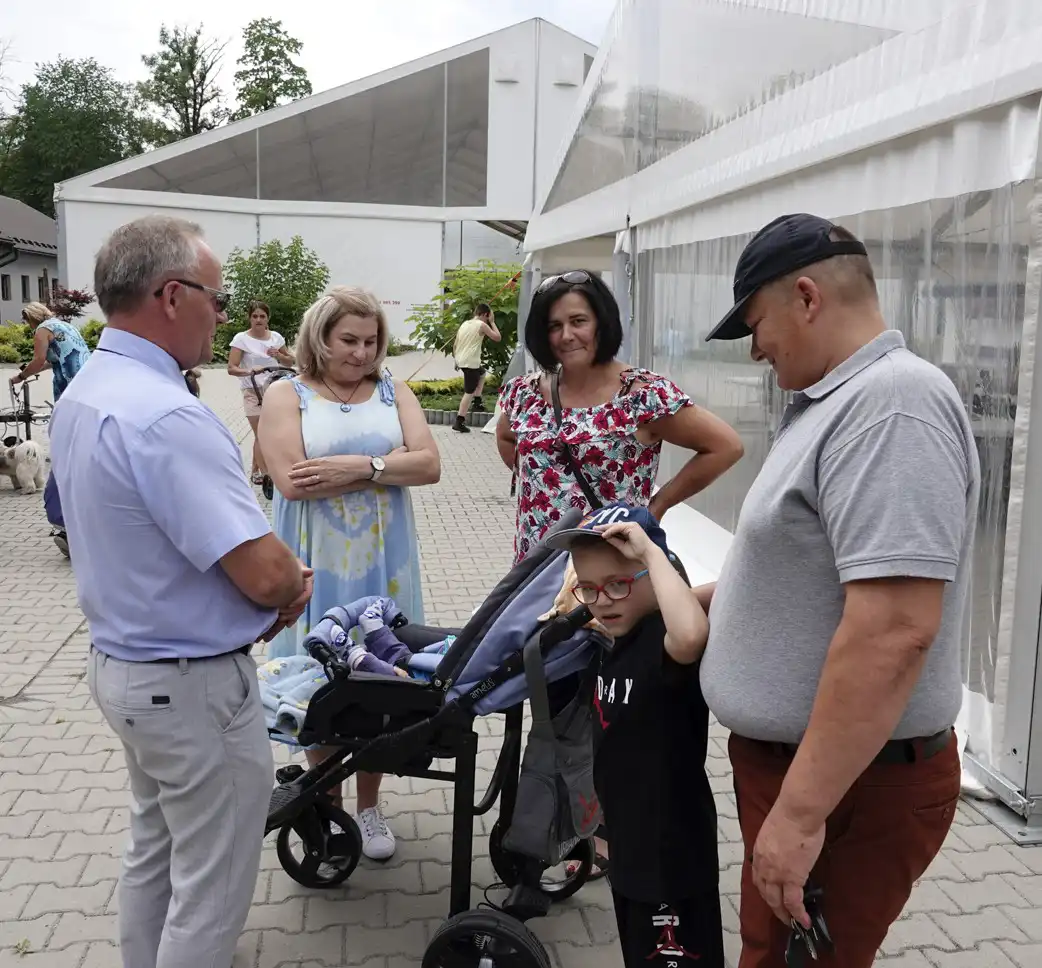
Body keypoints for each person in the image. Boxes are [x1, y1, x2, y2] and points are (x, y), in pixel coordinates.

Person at [697, 214, 979, 968]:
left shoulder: (892, 407)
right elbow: (814, 568)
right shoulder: (836, 401)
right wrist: (705, 601)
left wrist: (800, 812)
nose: (756, 348)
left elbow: (892, 630)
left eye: (756, 324)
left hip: (849, 787)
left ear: (809, 297)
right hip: (816, 776)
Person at [48, 215, 313, 968]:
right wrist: (290, 583)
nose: (222, 316)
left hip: (126, 670)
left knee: (155, 849)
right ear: (172, 295)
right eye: (217, 300)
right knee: (211, 887)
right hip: (191, 688)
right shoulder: (168, 414)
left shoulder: (91, 389)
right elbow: (264, 574)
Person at [259, 285, 440, 861]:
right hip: (317, 558)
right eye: (349, 340)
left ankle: (368, 804)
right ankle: (326, 807)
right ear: (320, 337)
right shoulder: (287, 395)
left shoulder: (394, 390)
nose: (362, 353)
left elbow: (431, 464)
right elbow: (292, 481)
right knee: (320, 676)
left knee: (383, 669)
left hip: (383, 563)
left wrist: (358, 466)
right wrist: (388, 469)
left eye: (372, 341)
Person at [545, 504, 724, 968]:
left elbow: (690, 633)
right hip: (631, 847)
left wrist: (649, 551)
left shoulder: (663, 640)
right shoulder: (616, 641)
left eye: (619, 584)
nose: (603, 600)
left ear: (656, 576)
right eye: (589, 588)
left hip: (671, 856)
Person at [10, 301, 92, 555]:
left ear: (31, 318)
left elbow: (39, 359)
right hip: (88, 383)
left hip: (70, 388)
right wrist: (36, 369)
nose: (27, 325)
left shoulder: (42, 329)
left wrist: (19, 377)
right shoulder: (63, 325)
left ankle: (68, 523)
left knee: (65, 443)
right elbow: (53, 359)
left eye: (26, 321)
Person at [227, 300, 295, 485]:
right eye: (254, 316)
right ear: (249, 318)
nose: (258, 319)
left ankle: (256, 470)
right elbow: (231, 368)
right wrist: (249, 371)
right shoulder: (241, 339)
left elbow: (290, 362)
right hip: (252, 391)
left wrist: (279, 356)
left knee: (268, 433)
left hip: (275, 389)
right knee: (261, 434)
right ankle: (267, 476)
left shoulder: (276, 338)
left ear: (268, 318)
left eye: (262, 316)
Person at [452, 302, 500, 432]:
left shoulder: (465, 324)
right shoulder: (482, 325)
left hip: (462, 360)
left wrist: (456, 360)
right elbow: (497, 337)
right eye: (488, 316)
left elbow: (455, 344)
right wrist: (493, 322)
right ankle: (459, 421)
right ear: (486, 314)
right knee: (469, 392)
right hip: (470, 363)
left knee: (482, 373)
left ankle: (477, 402)